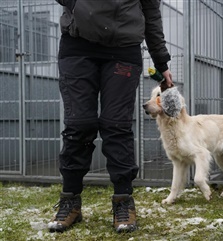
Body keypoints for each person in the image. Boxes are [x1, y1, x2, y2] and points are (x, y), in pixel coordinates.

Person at [48, 0, 173, 233]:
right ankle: (70, 200)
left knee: (116, 124)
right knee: (79, 123)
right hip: (78, 44)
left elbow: (151, 14)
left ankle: (123, 201)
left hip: (123, 48)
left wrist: (161, 61)